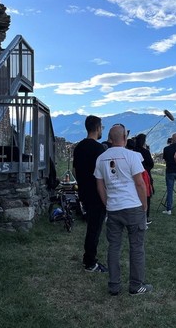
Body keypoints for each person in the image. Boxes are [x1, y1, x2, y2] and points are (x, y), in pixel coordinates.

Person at [95, 123, 153, 296]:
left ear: (110, 139)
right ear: (125, 138)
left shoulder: (101, 158)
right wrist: (144, 205)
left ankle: (114, 286)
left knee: (114, 247)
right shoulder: (133, 156)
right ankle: (136, 286)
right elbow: (140, 183)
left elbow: (100, 186)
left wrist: (108, 204)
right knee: (136, 247)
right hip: (133, 207)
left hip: (113, 208)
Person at [72, 115, 107, 273]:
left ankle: (89, 258)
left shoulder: (79, 147)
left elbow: (74, 170)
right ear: (98, 128)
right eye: (102, 128)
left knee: (92, 227)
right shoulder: (99, 149)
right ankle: (90, 262)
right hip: (96, 193)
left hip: (84, 192)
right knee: (94, 229)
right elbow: (104, 174)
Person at [134, 133, 154, 224]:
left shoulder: (133, 151)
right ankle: (145, 217)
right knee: (146, 196)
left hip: (134, 176)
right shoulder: (145, 152)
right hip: (145, 176)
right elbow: (151, 164)